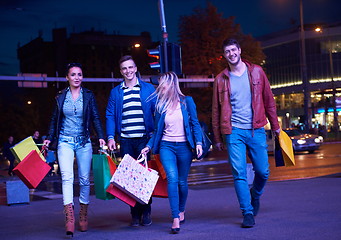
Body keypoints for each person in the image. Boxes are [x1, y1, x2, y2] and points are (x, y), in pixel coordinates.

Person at [211, 38, 280, 228]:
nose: (231, 54)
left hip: (256, 128)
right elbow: (216, 111)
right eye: (227, 52)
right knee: (239, 173)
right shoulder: (220, 79)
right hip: (233, 132)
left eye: (234, 50)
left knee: (263, 171)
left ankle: (254, 196)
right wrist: (217, 137)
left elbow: (269, 100)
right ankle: (247, 212)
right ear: (224, 55)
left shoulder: (257, 72)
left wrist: (275, 126)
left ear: (239, 51)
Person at [43, 62, 106, 236]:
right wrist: (49, 138)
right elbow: (55, 119)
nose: (76, 77)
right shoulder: (60, 96)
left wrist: (101, 135)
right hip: (65, 141)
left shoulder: (88, 95)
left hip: (84, 141)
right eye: (73, 74)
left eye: (79, 74)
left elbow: (95, 117)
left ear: (82, 77)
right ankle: (70, 219)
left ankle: (83, 215)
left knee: (85, 180)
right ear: (67, 77)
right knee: (67, 178)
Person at [140, 72, 203, 234]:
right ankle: (175, 217)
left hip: (184, 148)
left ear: (171, 84)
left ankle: (181, 210)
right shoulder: (161, 105)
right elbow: (156, 131)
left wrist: (198, 143)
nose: (160, 87)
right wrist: (148, 146)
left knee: (182, 181)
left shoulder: (187, 102)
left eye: (163, 84)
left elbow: (195, 124)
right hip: (166, 146)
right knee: (172, 178)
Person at [106, 55, 156, 227]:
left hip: (143, 139)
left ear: (135, 68)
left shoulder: (148, 89)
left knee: (143, 178)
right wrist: (111, 136)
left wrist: (154, 137)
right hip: (126, 140)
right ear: (121, 71)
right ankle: (134, 213)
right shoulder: (116, 92)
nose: (128, 71)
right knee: (128, 179)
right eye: (124, 68)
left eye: (130, 67)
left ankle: (146, 210)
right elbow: (110, 115)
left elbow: (158, 113)